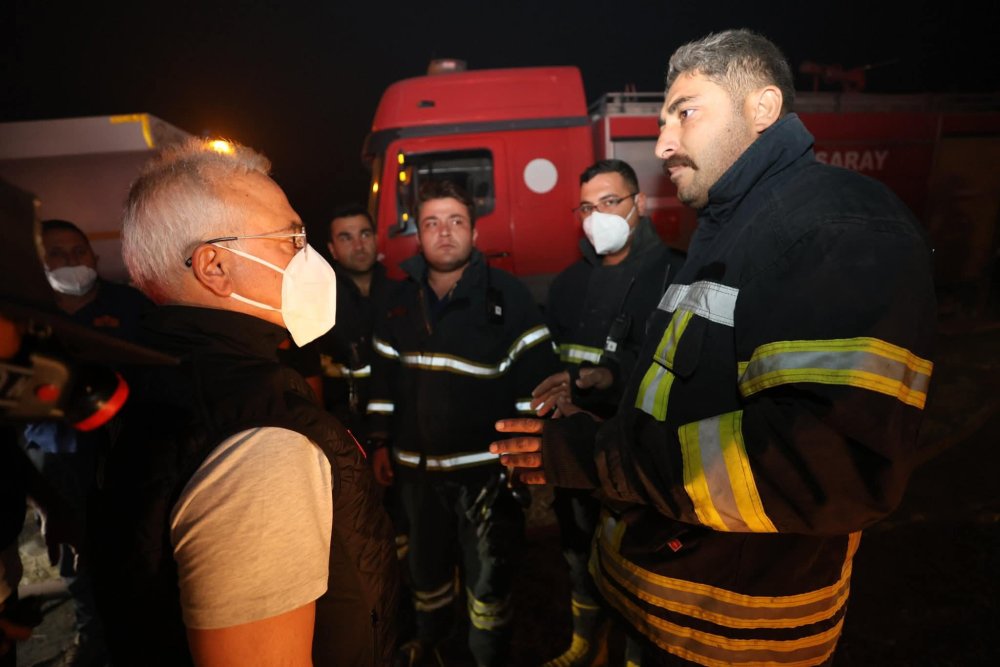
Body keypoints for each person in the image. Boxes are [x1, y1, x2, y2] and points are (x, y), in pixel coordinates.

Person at [493, 29, 936, 666]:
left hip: (732, 628)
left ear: (763, 108)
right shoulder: (731, 229)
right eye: (663, 120)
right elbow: (699, 383)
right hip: (666, 598)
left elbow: (826, 462)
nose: (663, 142)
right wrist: (610, 393)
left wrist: (598, 459)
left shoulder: (834, 226)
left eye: (686, 112)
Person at [89, 138, 398, 666]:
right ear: (214, 266)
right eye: (290, 238)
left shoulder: (163, 377)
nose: (308, 254)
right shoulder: (258, 436)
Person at [367, 180, 559, 666]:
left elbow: (535, 387)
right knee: (424, 575)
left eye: (455, 221)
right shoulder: (397, 300)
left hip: (486, 480)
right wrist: (380, 442)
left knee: (487, 584)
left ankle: (486, 655)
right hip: (416, 478)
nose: (444, 233)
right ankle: (433, 646)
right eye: (432, 222)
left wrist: (522, 461)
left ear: (474, 231)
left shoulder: (509, 297)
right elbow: (383, 380)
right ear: (417, 233)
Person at [532, 159, 683, 666]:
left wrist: (609, 376)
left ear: (639, 204)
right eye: (587, 207)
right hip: (578, 446)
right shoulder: (568, 284)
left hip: (642, 450)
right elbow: (553, 359)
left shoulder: (673, 275)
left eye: (610, 203)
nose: (597, 217)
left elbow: (677, 371)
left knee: (644, 559)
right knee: (578, 550)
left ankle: (638, 655)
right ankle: (585, 644)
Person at [21, 218, 154, 667]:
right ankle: (91, 643)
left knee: (139, 552)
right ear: (40, 264)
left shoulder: (132, 306)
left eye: (78, 251)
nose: (71, 261)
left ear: (95, 257)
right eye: (56, 254)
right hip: (57, 457)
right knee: (78, 561)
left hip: (130, 451)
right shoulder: (24, 319)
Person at [318, 205, 392, 443]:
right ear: (332, 249)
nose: (359, 245)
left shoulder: (403, 294)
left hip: (396, 426)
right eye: (346, 237)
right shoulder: (319, 300)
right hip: (343, 428)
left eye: (365, 234)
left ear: (376, 239)